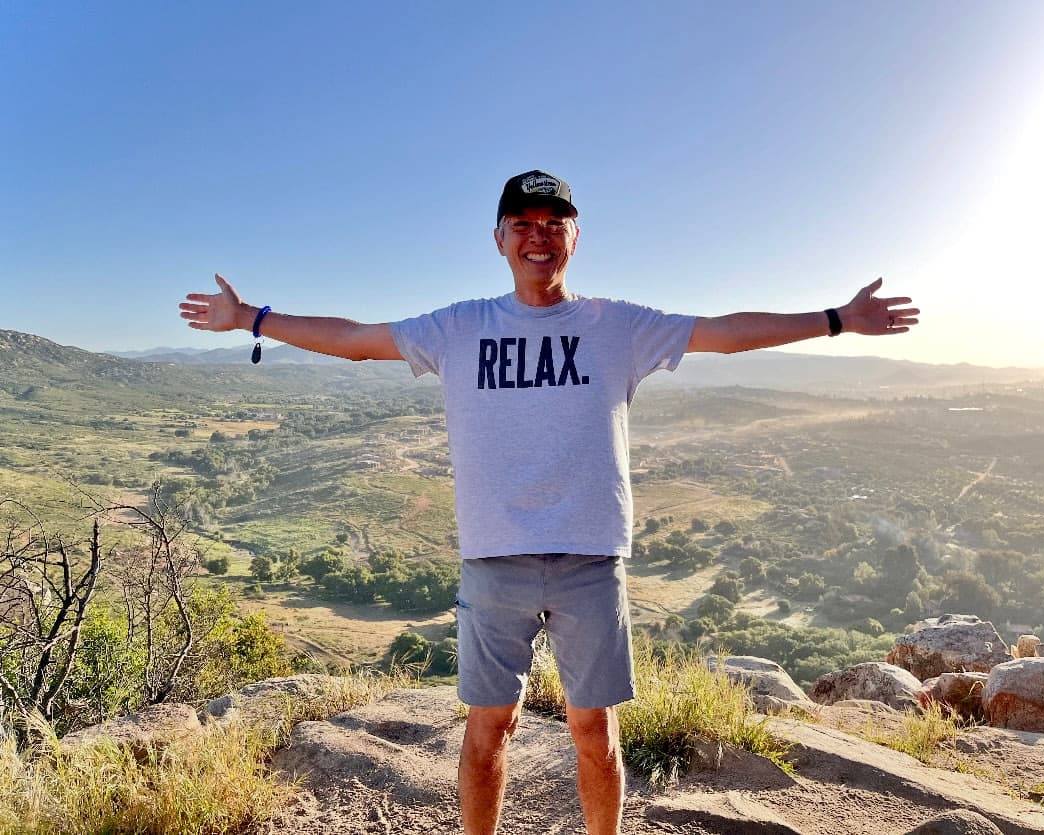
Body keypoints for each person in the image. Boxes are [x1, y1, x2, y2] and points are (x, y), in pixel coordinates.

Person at [179, 169, 919, 835]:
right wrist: (250, 318)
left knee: (594, 731)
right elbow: (354, 339)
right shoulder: (459, 327)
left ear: (574, 236)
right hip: (493, 561)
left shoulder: (617, 326)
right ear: (499, 238)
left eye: (553, 222)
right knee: (487, 731)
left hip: (589, 561)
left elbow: (724, 334)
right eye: (523, 223)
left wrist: (836, 318)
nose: (538, 235)